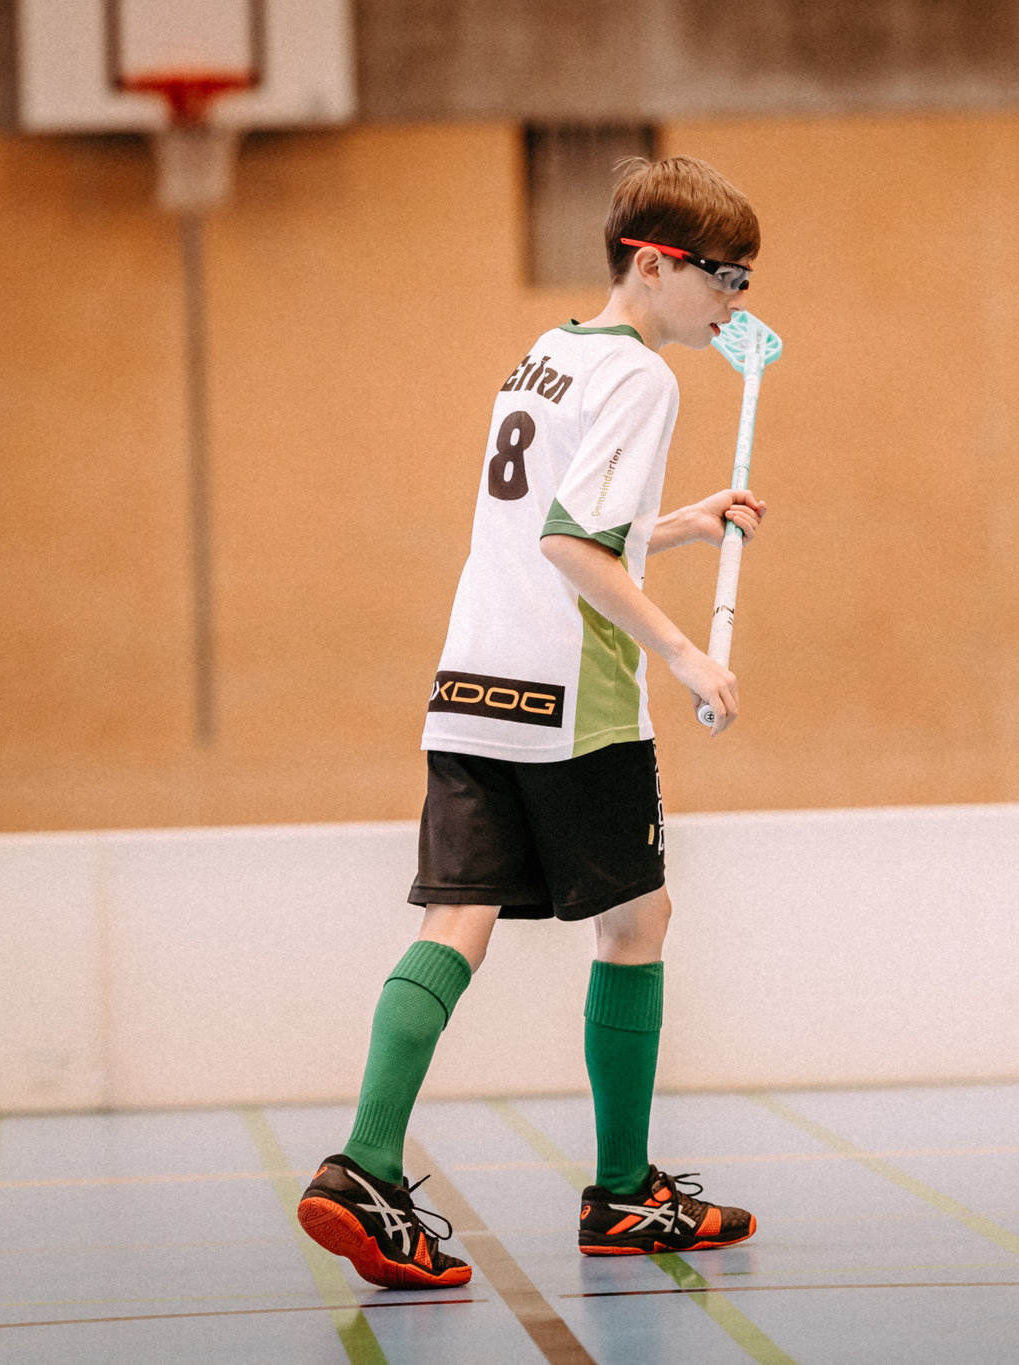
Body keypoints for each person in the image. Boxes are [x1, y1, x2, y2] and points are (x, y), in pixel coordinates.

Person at [293, 156, 769, 1288]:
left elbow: (552, 521)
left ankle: (361, 1166)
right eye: (723, 274)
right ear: (653, 264)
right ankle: (623, 1193)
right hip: (570, 695)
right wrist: (685, 651)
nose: (735, 299)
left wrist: (678, 523)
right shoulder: (645, 378)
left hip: (470, 679)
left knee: (454, 921)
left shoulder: (546, 355)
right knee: (636, 921)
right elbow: (569, 544)